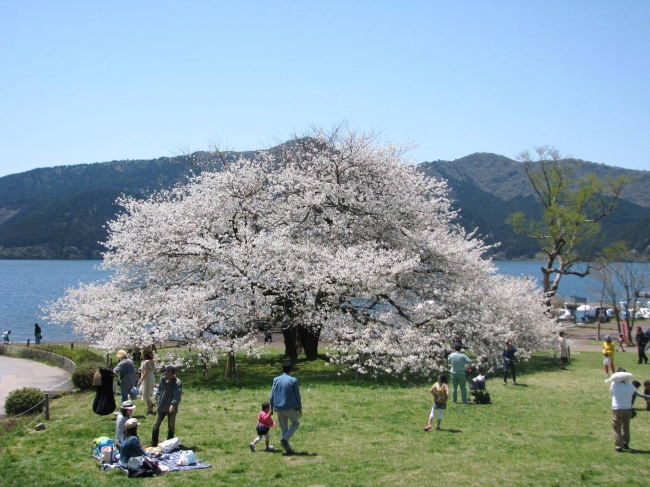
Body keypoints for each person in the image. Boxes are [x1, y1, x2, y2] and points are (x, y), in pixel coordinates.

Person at [270, 361, 302, 454]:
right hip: (289, 406)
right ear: (291, 370)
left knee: (284, 428)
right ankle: (284, 440)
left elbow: (272, 395)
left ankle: (287, 449)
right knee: (296, 423)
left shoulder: (276, 379)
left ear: (282, 369)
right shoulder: (293, 380)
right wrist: (300, 407)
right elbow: (297, 395)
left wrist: (271, 408)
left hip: (279, 407)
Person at [151, 365, 182, 446]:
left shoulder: (177, 382)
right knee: (156, 425)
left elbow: (177, 395)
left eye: (170, 374)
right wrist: (158, 399)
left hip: (171, 407)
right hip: (161, 405)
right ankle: (154, 442)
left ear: (174, 373)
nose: (168, 376)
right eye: (167, 374)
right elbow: (158, 391)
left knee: (171, 425)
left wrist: (173, 404)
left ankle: (170, 442)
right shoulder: (162, 379)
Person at [137, 349, 156, 414]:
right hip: (151, 377)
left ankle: (149, 409)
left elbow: (146, 372)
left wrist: (140, 380)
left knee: (146, 393)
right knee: (143, 391)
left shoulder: (147, 362)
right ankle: (151, 403)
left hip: (147, 378)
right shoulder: (152, 360)